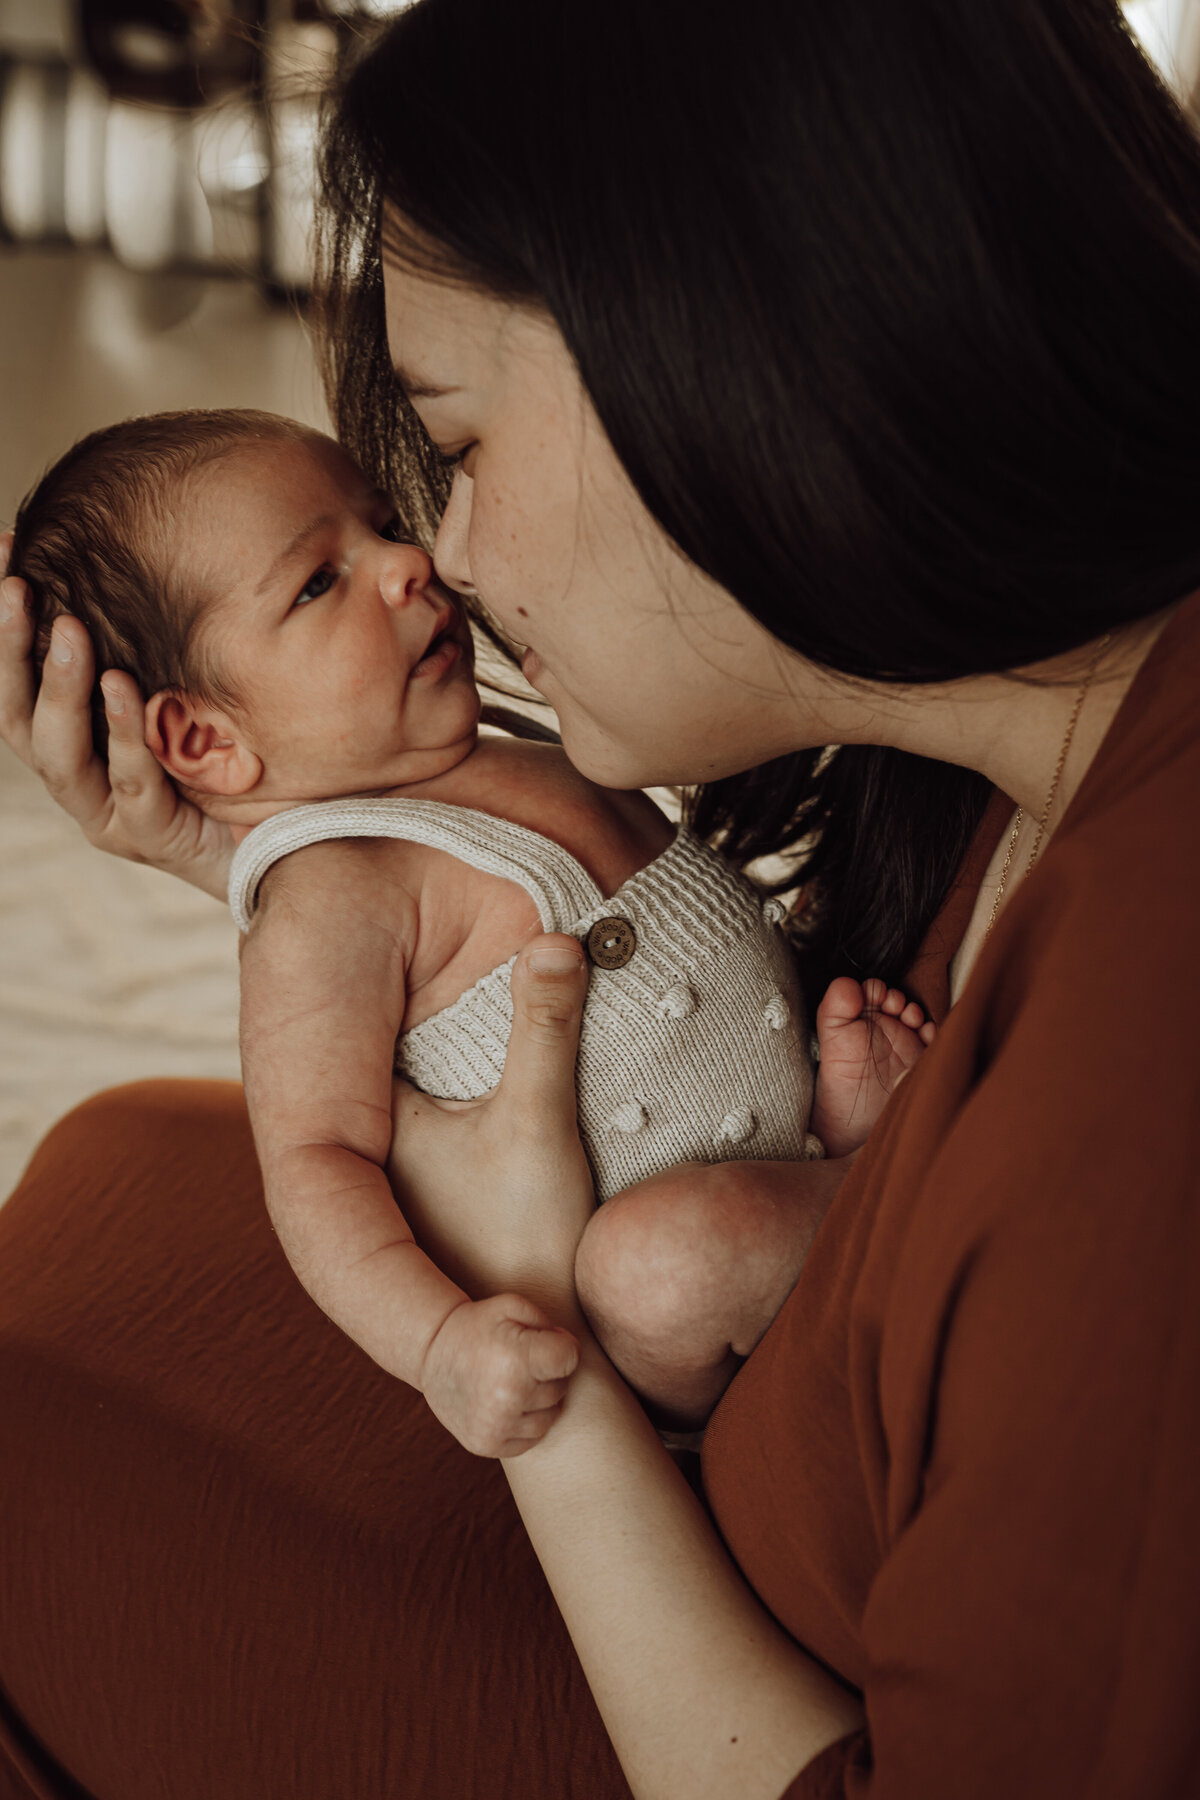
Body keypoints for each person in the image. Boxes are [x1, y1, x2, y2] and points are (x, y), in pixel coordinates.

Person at [1, 1, 1199, 1795]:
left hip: (678, 1610)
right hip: (679, 1338)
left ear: (748, 355)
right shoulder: (1005, 738)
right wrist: (253, 852)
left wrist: (534, 1342)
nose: (444, 556)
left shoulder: (1131, 1092)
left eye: (454, 447)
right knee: (111, 1160)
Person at [10, 406, 931, 1453]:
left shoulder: (509, 742)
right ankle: (884, 1189)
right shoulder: (331, 901)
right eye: (319, 581)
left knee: (832, 1039)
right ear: (202, 739)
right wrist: (440, 1344)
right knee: (658, 1266)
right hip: (654, 1329)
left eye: (386, 523)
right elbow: (316, 1161)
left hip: (760, 1158)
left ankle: (824, 1170)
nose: (408, 562)